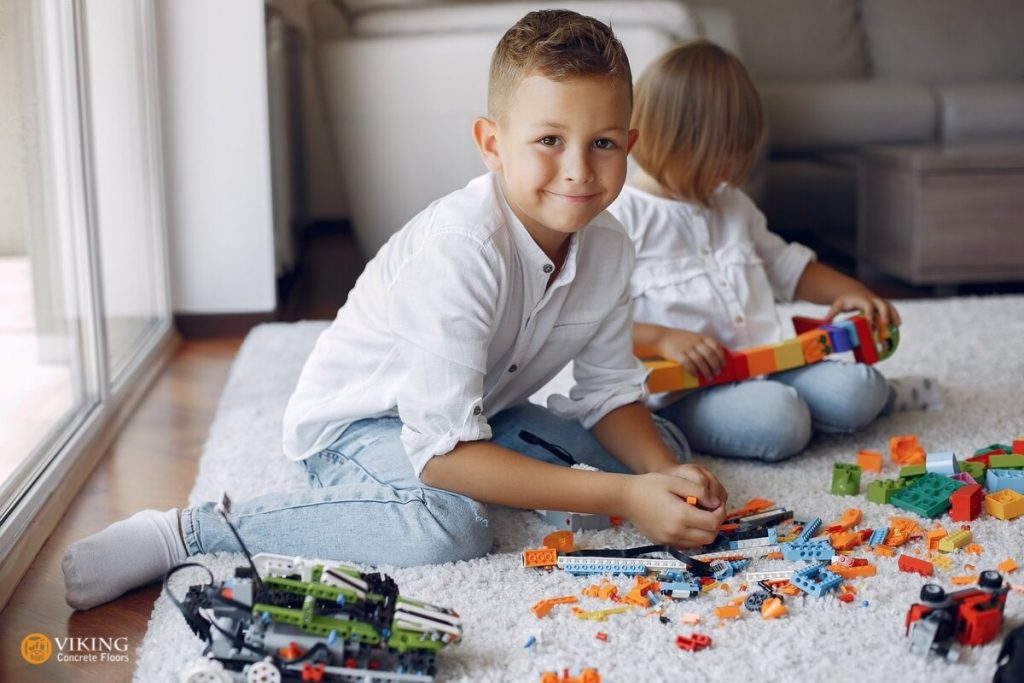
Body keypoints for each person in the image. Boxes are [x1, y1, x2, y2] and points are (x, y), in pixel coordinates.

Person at [62, 10, 728, 611]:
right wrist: (622, 498)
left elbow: (611, 393)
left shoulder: (610, 244)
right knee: (451, 525)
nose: (579, 169)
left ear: (629, 144)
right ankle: (188, 530)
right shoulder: (462, 249)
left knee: (661, 451)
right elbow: (441, 457)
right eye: (549, 140)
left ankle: (543, 470)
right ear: (492, 145)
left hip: (482, 410)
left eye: (603, 143)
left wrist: (658, 477)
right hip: (358, 426)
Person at [609, 40, 941, 463]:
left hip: (770, 362)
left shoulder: (732, 203)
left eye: (736, 157)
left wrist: (855, 291)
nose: (727, 173)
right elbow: (593, 324)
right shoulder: (622, 219)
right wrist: (663, 338)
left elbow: (790, 269)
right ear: (663, 139)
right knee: (781, 420)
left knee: (861, 388)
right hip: (687, 391)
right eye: (715, 160)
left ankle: (876, 401)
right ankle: (785, 413)